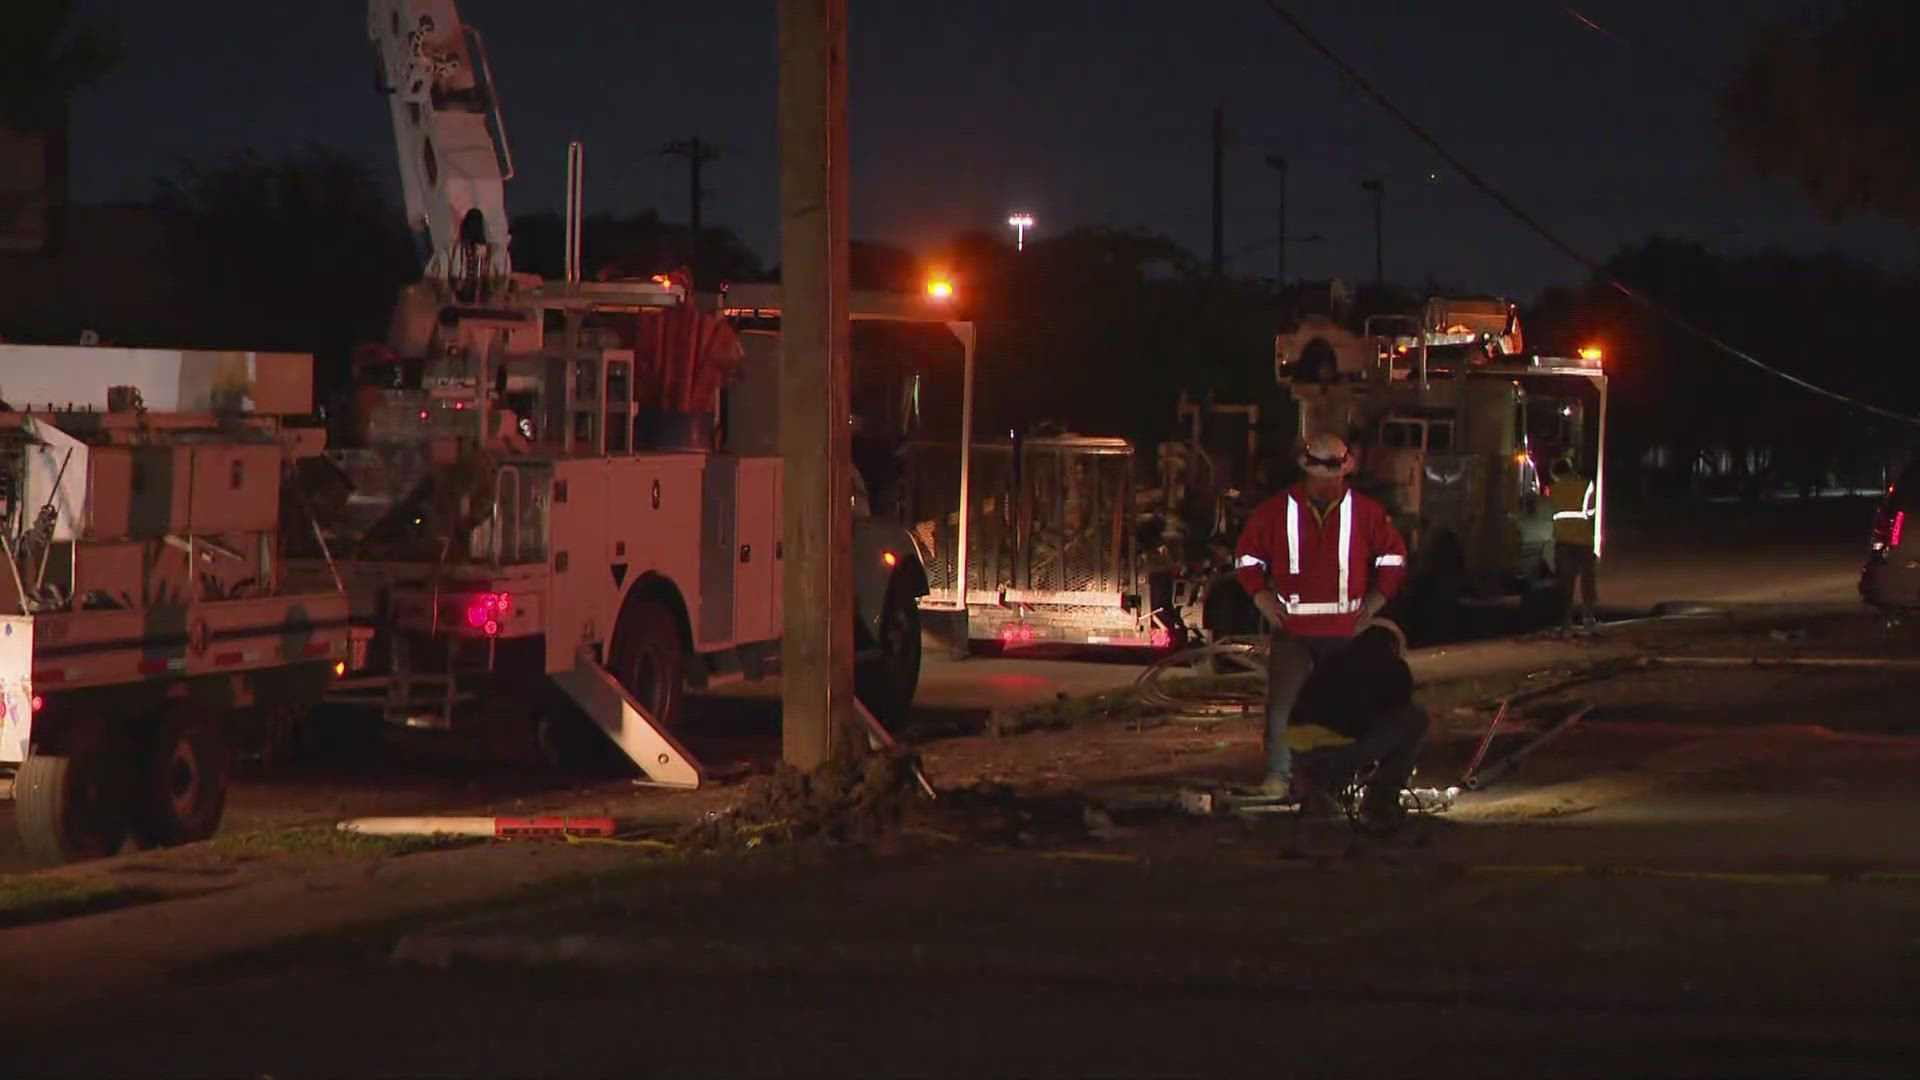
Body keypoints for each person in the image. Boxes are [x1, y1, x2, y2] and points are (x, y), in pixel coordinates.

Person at [1233, 433, 1409, 805]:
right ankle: (1279, 777)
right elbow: (1247, 558)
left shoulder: (1365, 512)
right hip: (1294, 631)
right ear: (1307, 471)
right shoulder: (1276, 511)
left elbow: (1394, 558)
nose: (1330, 484)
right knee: (1284, 705)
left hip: (1346, 631)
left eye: (1336, 476)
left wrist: (1375, 603)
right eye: (1323, 476)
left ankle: (1345, 777)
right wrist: (1263, 599)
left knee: (1346, 705)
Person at [1289, 622, 1430, 834]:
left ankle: (1319, 789)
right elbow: (1397, 708)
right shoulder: (1390, 666)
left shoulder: (1332, 663)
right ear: (1393, 647)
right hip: (1338, 751)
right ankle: (1379, 802)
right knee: (1415, 719)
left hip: (1300, 752)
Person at [1547, 456, 1599, 630]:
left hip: (1563, 542)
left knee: (1565, 584)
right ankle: (1588, 617)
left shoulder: (1552, 489)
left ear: (1555, 474)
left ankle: (1565, 621)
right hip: (1584, 541)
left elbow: (1548, 513)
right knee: (1587, 582)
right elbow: (1591, 511)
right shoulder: (1586, 485)